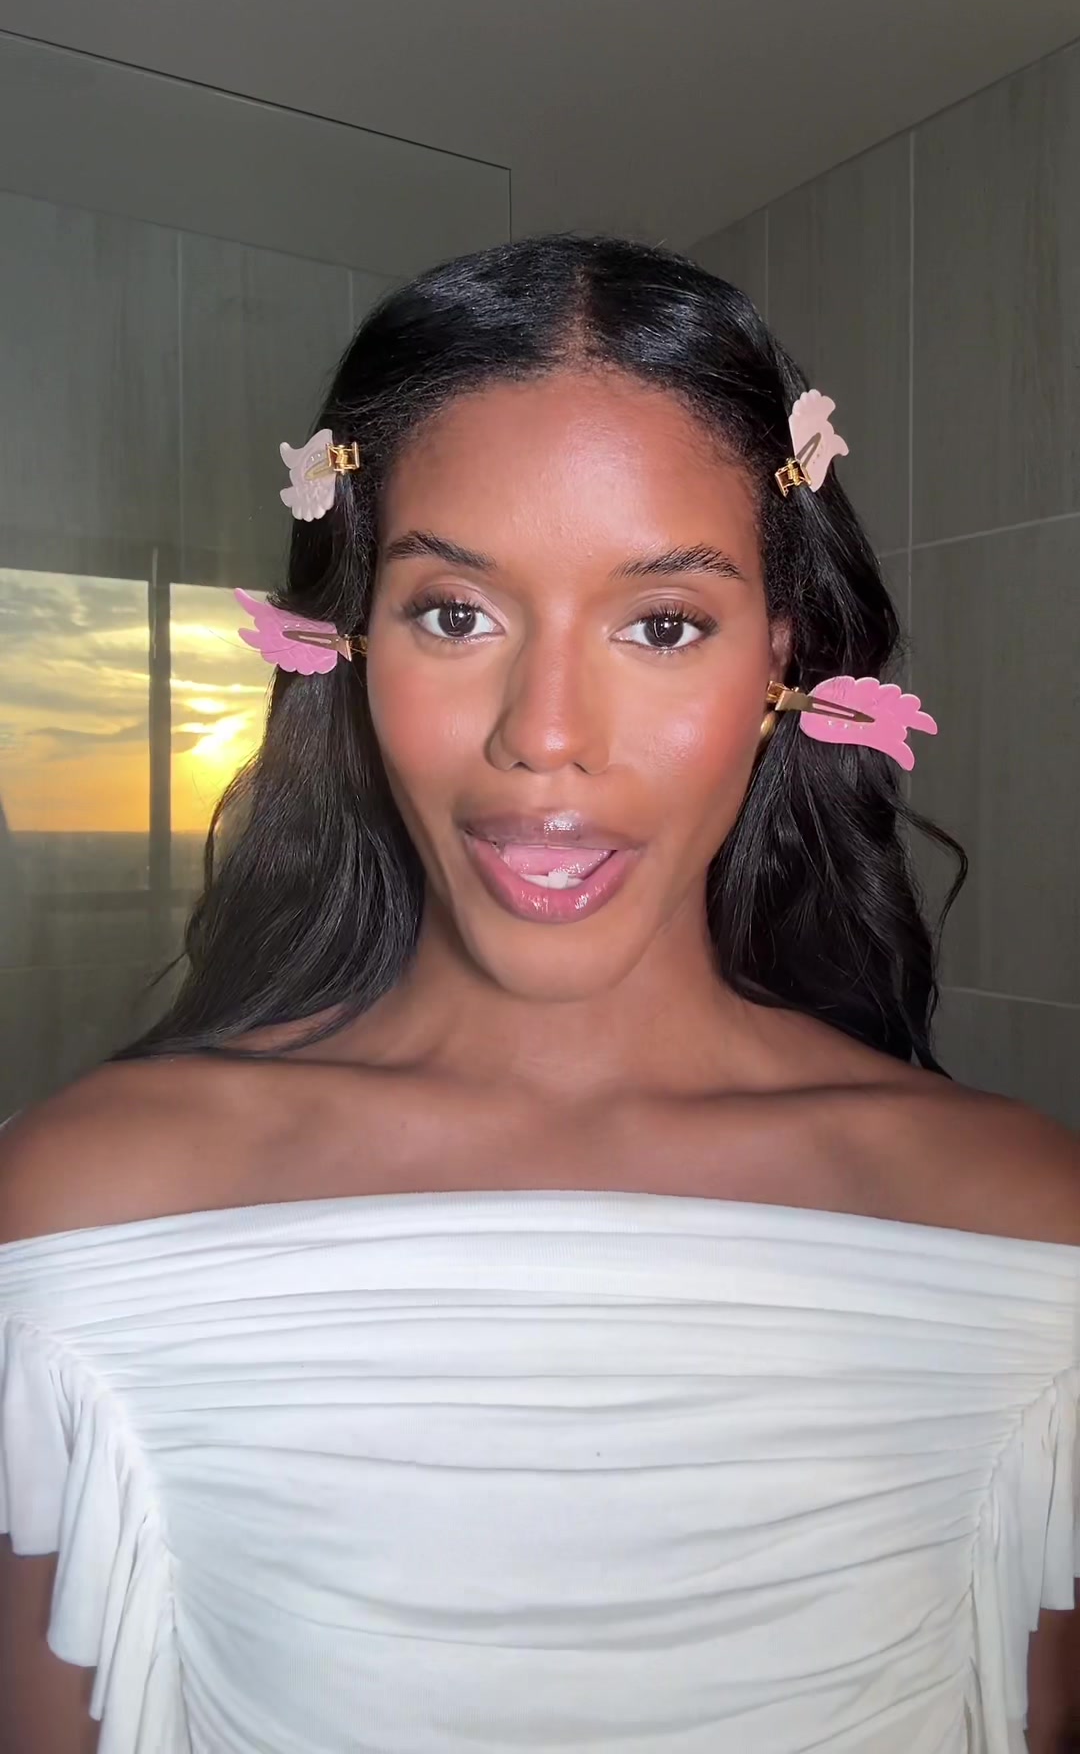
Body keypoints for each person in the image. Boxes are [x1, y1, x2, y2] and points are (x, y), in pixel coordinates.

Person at [1, 235, 1077, 1754]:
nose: (545, 735)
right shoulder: (85, 1216)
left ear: (779, 662)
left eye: (662, 624)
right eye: (456, 612)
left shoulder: (1028, 1238)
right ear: (350, 644)